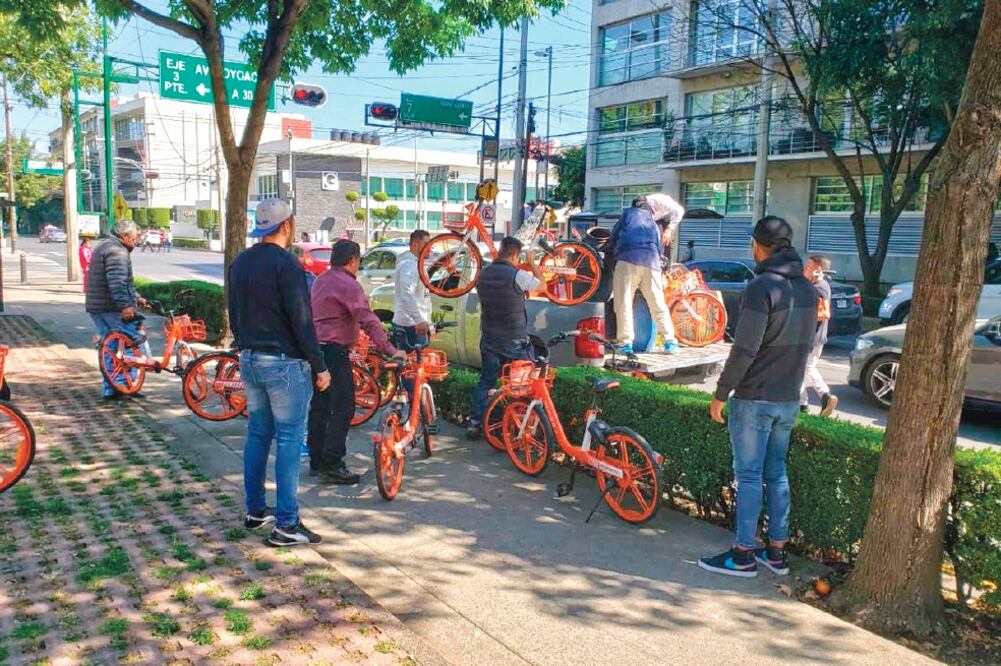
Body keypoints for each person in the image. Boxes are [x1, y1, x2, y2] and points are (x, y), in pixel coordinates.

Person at [700, 216, 818, 578]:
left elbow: (745, 349)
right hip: (788, 399)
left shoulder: (761, 287)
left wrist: (721, 394)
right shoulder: (809, 290)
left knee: (749, 476)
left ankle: (742, 554)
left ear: (757, 245)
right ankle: (777, 553)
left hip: (755, 398)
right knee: (776, 474)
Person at [228, 199, 330, 547]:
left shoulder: (241, 262)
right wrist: (320, 366)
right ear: (286, 225)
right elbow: (302, 320)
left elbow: (234, 313)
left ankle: (256, 510)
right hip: (285, 364)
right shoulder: (287, 264)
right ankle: (287, 523)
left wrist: (244, 347)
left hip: (251, 359)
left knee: (258, 434)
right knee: (288, 440)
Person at [310, 240, 406, 483]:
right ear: (353, 260)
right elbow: (368, 319)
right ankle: (332, 464)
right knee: (343, 406)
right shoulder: (348, 285)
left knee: (321, 406)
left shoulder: (321, 279)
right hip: (334, 351)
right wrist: (390, 349)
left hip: (315, 350)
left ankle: (317, 459)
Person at [466, 236, 545, 439]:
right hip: (514, 340)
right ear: (515, 254)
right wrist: (533, 262)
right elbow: (542, 286)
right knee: (521, 384)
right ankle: (515, 426)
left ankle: (475, 423)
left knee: (487, 380)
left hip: (490, 338)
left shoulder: (483, 275)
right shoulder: (517, 275)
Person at [85, 219, 148, 400]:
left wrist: (136, 297)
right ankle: (125, 385)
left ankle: (111, 388)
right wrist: (126, 306)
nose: (135, 241)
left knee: (110, 347)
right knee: (130, 344)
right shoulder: (117, 252)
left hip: (99, 306)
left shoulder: (106, 247)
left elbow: (120, 282)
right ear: (124, 236)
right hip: (110, 308)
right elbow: (117, 283)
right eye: (134, 237)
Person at [608, 196, 680, 354]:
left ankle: (625, 343)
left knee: (624, 303)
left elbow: (613, 237)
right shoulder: (653, 223)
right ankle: (670, 342)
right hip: (652, 263)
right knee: (658, 304)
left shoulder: (627, 215)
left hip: (628, 260)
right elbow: (658, 246)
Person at [800, 255, 838, 417]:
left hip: (810, 338)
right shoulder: (820, 285)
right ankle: (803, 404)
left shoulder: (818, 288)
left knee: (804, 369)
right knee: (802, 370)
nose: (804, 268)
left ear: (817, 270)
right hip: (815, 337)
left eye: (808, 266)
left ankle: (824, 396)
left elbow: (824, 313)